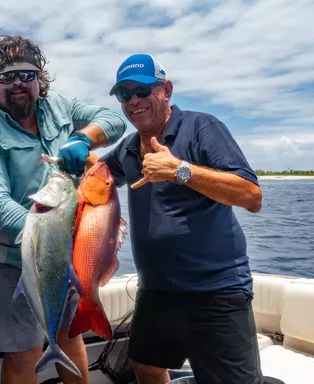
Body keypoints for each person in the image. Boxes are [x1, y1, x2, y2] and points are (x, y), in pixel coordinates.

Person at [0, 34, 127, 384]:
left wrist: (84, 137)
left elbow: (113, 120)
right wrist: (49, 231)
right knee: (24, 351)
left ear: (40, 80)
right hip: (12, 261)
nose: (18, 83)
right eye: (6, 77)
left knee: (69, 335)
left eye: (27, 75)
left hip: (67, 250)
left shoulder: (59, 107)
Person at [98, 53, 264, 384]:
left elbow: (251, 196)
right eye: (124, 94)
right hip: (157, 291)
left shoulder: (202, 128)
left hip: (215, 290)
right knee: (145, 366)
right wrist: (79, 143)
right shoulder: (128, 149)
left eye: (142, 90)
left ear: (166, 90)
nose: (134, 101)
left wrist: (180, 171)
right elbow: (95, 174)